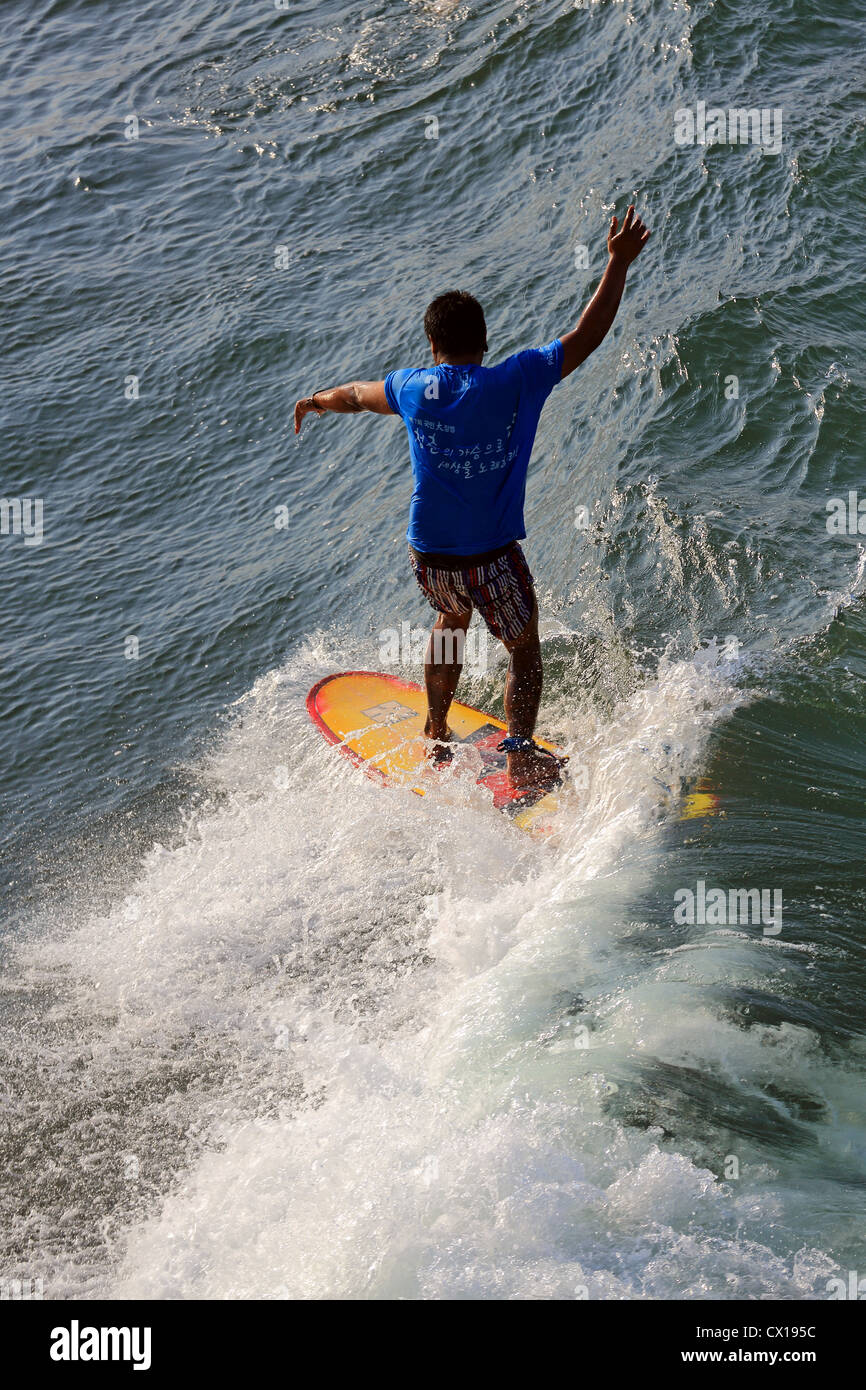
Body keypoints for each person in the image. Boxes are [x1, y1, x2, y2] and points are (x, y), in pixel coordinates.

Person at [294, 207, 651, 792]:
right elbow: (587, 335)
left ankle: (434, 730)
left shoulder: (413, 388)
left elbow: (356, 395)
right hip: (493, 556)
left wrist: (315, 399)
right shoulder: (518, 378)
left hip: (429, 556)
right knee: (524, 651)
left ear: (432, 343)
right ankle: (519, 757)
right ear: (485, 342)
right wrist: (616, 262)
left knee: (450, 620)